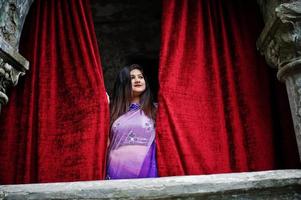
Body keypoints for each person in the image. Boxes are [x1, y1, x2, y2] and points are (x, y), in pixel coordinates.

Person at [106, 64, 158, 179]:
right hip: (116, 171)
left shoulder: (156, 110)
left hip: (147, 172)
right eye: (132, 78)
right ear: (123, 83)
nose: (137, 80)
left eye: (140, 77)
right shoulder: (111, 110)